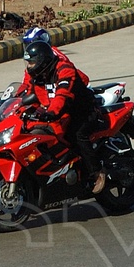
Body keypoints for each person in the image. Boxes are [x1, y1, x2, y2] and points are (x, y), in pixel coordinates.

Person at [16, 27, 104, 194]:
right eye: (28, 62)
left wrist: (52, 112)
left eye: (32, 62)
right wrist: (15, 109)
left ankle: (96, 172)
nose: (29, 66)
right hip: (57, 113)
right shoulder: (38, 75)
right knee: (33, 132)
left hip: (81, 110)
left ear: (41, 59)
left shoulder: (63, 68)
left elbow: (62, 95)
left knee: (77, 135)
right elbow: (27, 93)